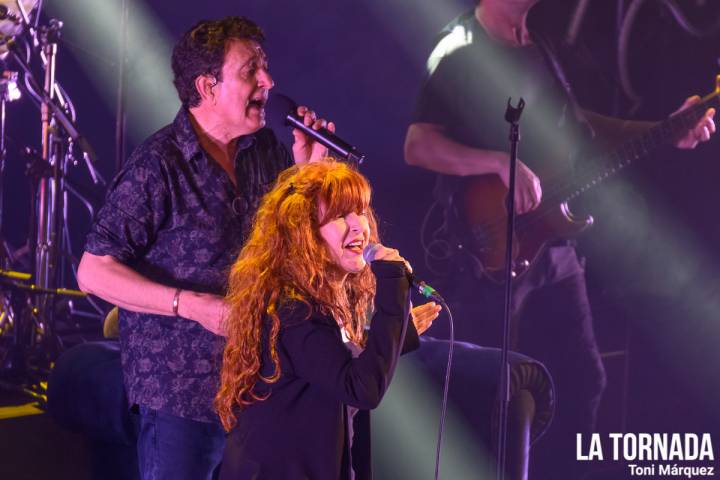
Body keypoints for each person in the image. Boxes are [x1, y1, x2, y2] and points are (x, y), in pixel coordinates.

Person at [404, 0, 716, 477]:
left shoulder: (540, 44)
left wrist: (667, 130)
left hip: (553, 244)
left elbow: (581, 127)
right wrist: (497, 165)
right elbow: (417, 144)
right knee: (489, 394)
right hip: (488, 245)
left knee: (583, 380)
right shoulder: (459, 46)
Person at [76, 16, 336, 480]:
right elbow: (93, 271)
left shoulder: (266, 151)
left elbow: (290, 248)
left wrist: (306, 175)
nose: (269, 82)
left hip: (256, 387)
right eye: (251, 70)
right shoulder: (158, 165)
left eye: (267, 67)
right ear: (207, 86)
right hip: (181, 397)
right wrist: (191, 305)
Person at [215, 161, 414, 480]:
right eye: (339, 216)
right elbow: (361, 388)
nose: (358, 226)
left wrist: (399, 325)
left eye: (360, 211)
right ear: (304, 234)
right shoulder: (295, 313)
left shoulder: (330, 301)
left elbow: (340, 365)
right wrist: (392, 300)